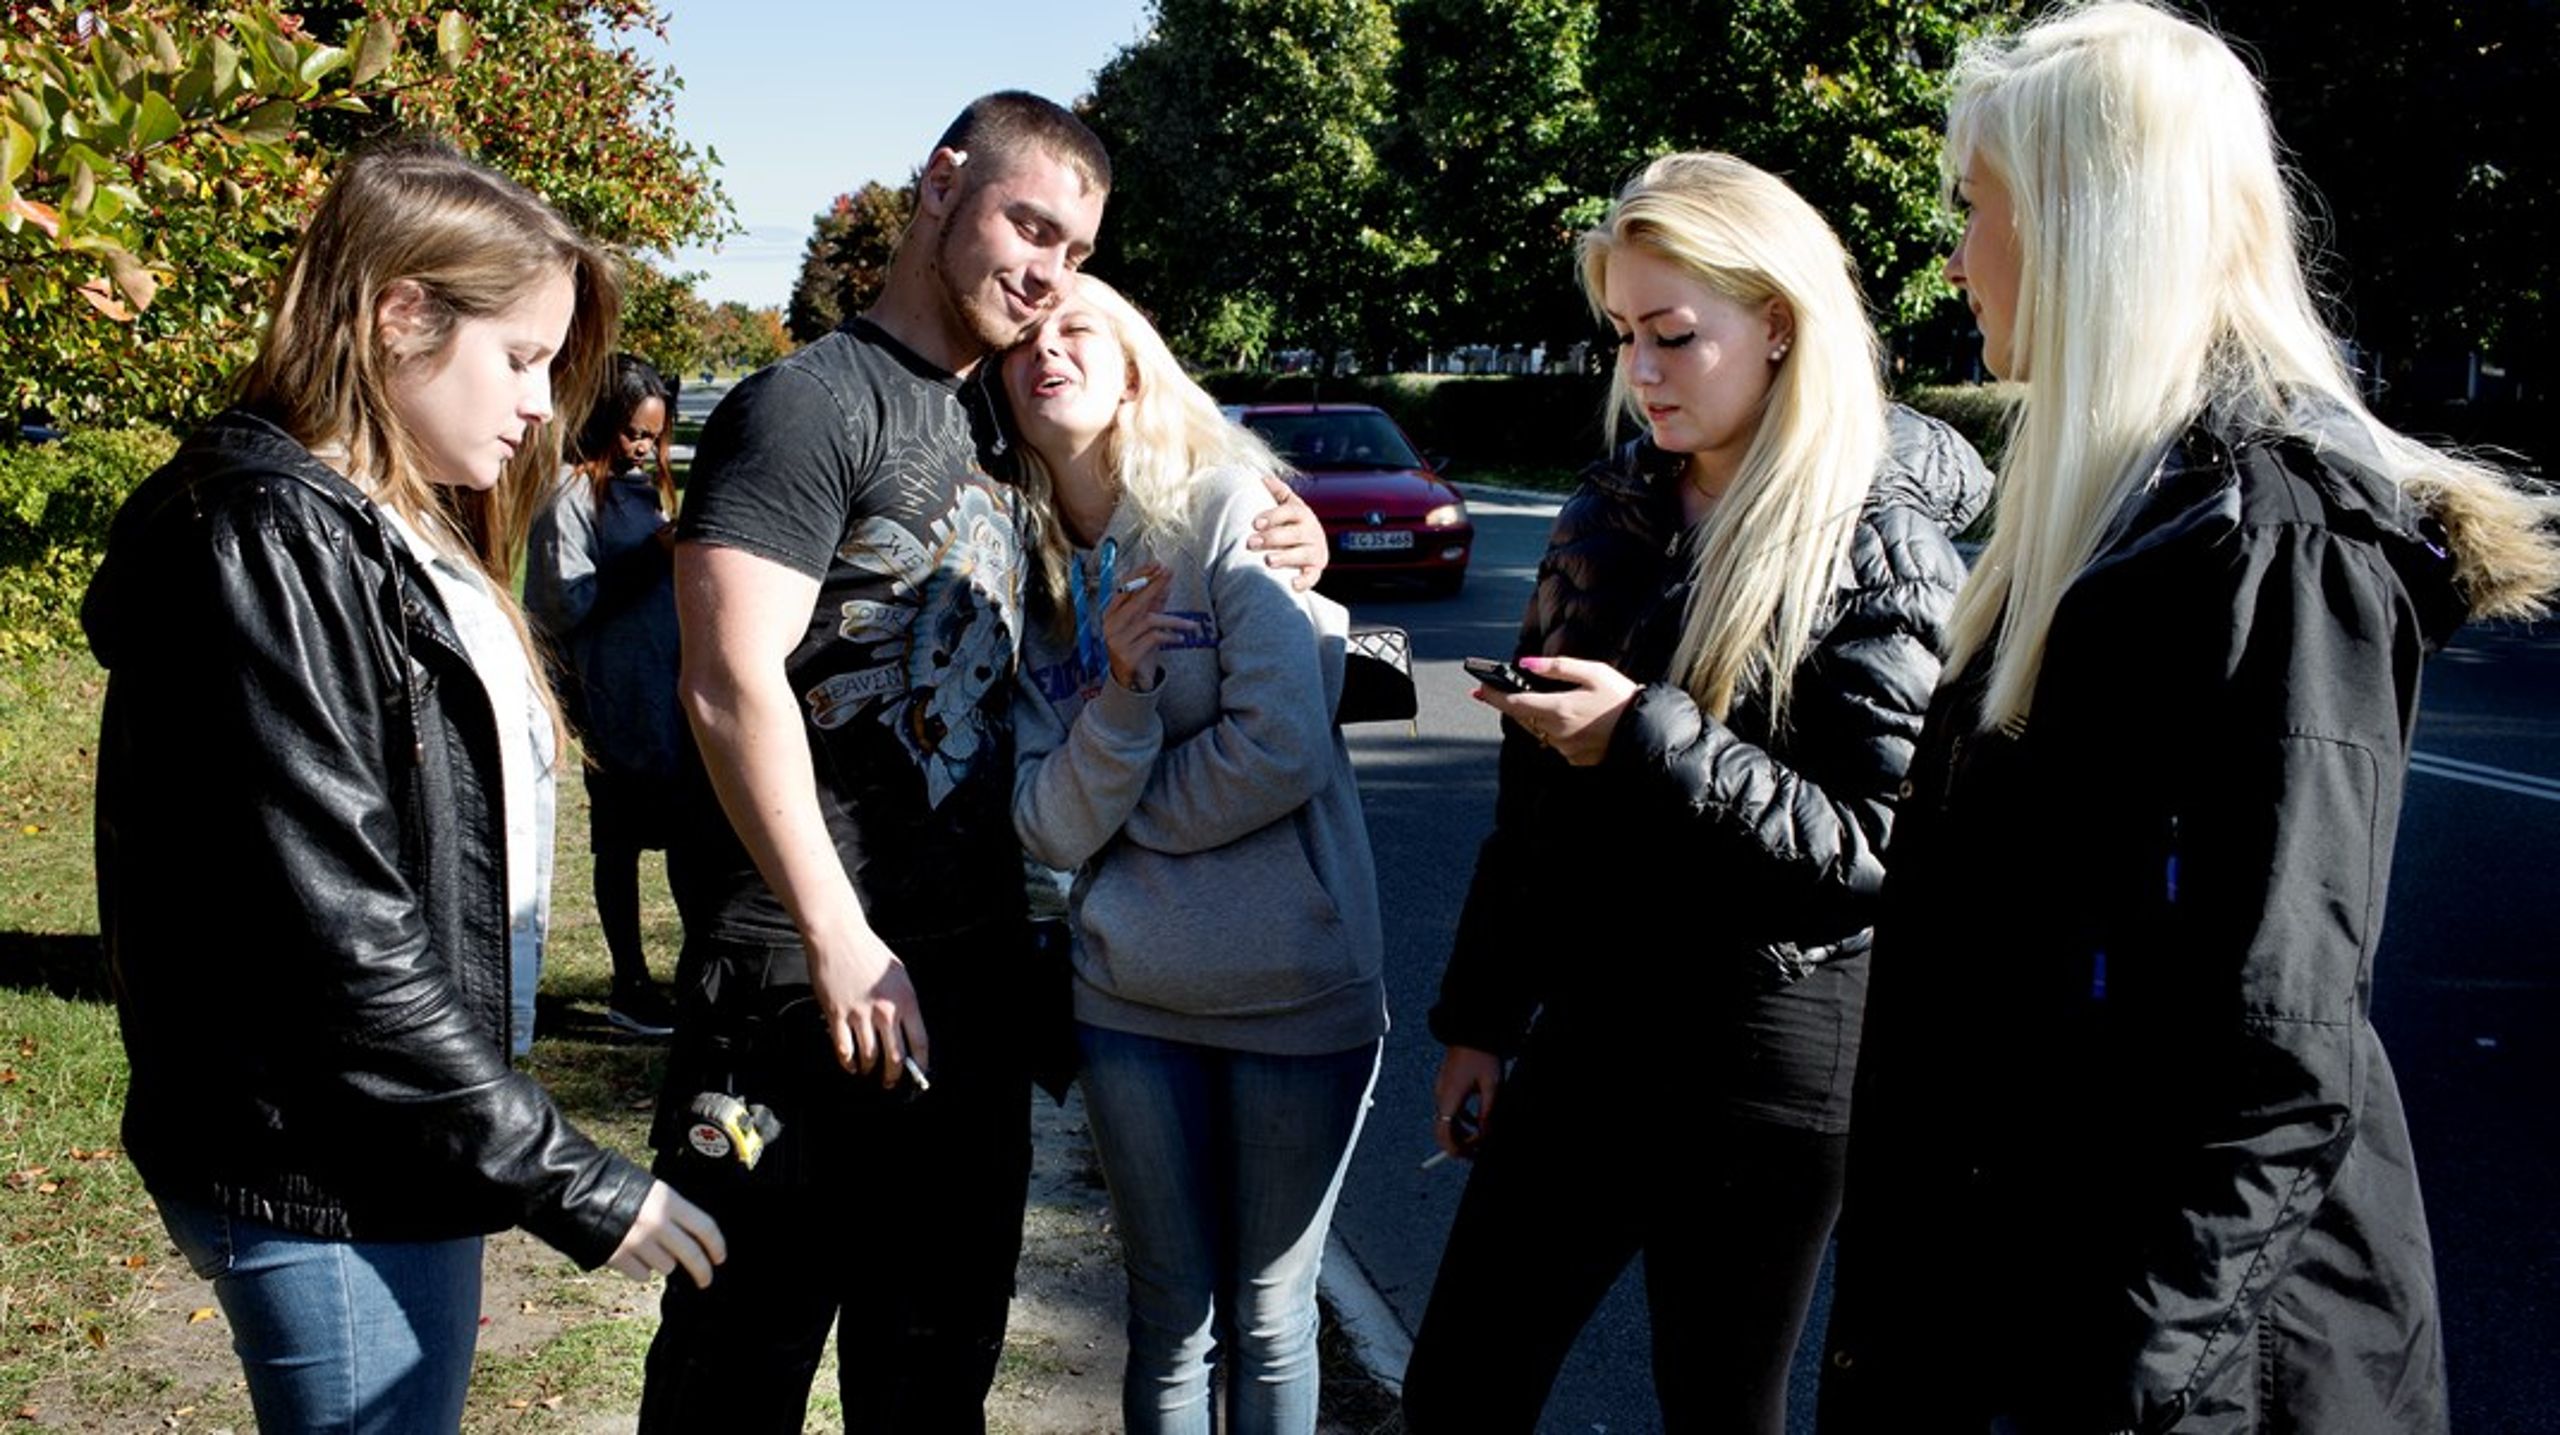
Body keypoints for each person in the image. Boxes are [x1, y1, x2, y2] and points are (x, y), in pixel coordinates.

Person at [1817, 6, 2560, 1431]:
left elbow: (2278, 1046)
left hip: (2190, 1359)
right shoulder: (2108, 515)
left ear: (2088, 224)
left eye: (1975, 206)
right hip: (2039, 1298)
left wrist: (2127, 1384)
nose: (1955, 257)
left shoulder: (2276, 536)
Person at [639, 93, 1330, 1432]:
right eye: (1030, 224)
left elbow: (1154, 489)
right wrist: (839, 934)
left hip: (967, 984)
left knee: (933, 1375)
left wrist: (1291, 534)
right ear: (943, 183)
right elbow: (726, 682)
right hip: (797, 976)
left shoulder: (999, 428)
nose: (1048, 269)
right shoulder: (806, 406)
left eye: (1076, 251)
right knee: (737, 1368)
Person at [82, 135, 724, 1431]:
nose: (542, 404)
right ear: (400, 315)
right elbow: (340, 932)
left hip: (396, 1137)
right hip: (331, 1161)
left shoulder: (389, 518)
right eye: (521, 357)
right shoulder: (276, 534)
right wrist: (570, 1179)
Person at [1398, 151, 1989, 1433]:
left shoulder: (1880, 536)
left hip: (1772, 1045)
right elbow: (1530, 808)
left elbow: (1874, 846)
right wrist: (1481, 1017)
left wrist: (1643, 735)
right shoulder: (1609, 507)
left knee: (1717, 1405)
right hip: (1593, 1023)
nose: (1642, 372)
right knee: (1457, 1386)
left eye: (1672, 335)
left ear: (1778, 323)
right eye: (1622, 336)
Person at [1005, 279, 1386, 1434]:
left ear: (1134, 369)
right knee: (1168, 1311)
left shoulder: (1224, 510)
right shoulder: (1018, 574)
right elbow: (1043, 824)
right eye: (1022, 338)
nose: (1045, 348)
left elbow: (1280, 748)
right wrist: (1121, 701)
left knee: (1270, 1316)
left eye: (1076, 328)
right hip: (1128, 999)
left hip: (1291, 990)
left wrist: (1113, 811)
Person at [527, 353, 683, 1037]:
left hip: (664, 683)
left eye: (654, 435)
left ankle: (694, 972)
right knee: (618, 840)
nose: (644, 448)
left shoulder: (645, 489)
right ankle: (630, 982)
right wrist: (651, 558)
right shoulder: (568, 493)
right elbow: (561, 603)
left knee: (685, 831)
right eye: (633, 434)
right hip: (610, 691)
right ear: (599, 422)